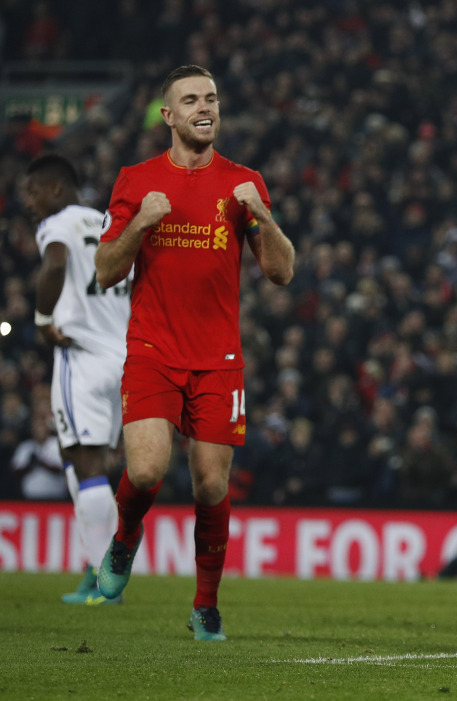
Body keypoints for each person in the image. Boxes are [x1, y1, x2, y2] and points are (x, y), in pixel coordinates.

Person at [92, 65, 295, 641]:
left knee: (209, 484)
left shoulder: (243, 182)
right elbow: (106, 270)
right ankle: (125, 537)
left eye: (211, 98)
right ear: (169, 116)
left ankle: (205, 605)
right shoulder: (136, 181)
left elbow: (280, 272)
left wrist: (262, 214)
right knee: (147, 468)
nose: (205, 107)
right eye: (191, 99)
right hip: (153, 349)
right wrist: (141, 226)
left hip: (217, 359)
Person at [26, 152, 133, 606]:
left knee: (83, 463)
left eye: (32, 193)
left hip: (81, 354)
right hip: (124, 358)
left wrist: (40, 318)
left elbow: (54, 264)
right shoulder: (109, 221)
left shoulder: (60, 224)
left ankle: (102, 577)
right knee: (92, 465)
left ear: (54, 189)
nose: (29, 203)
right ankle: (97, 568)